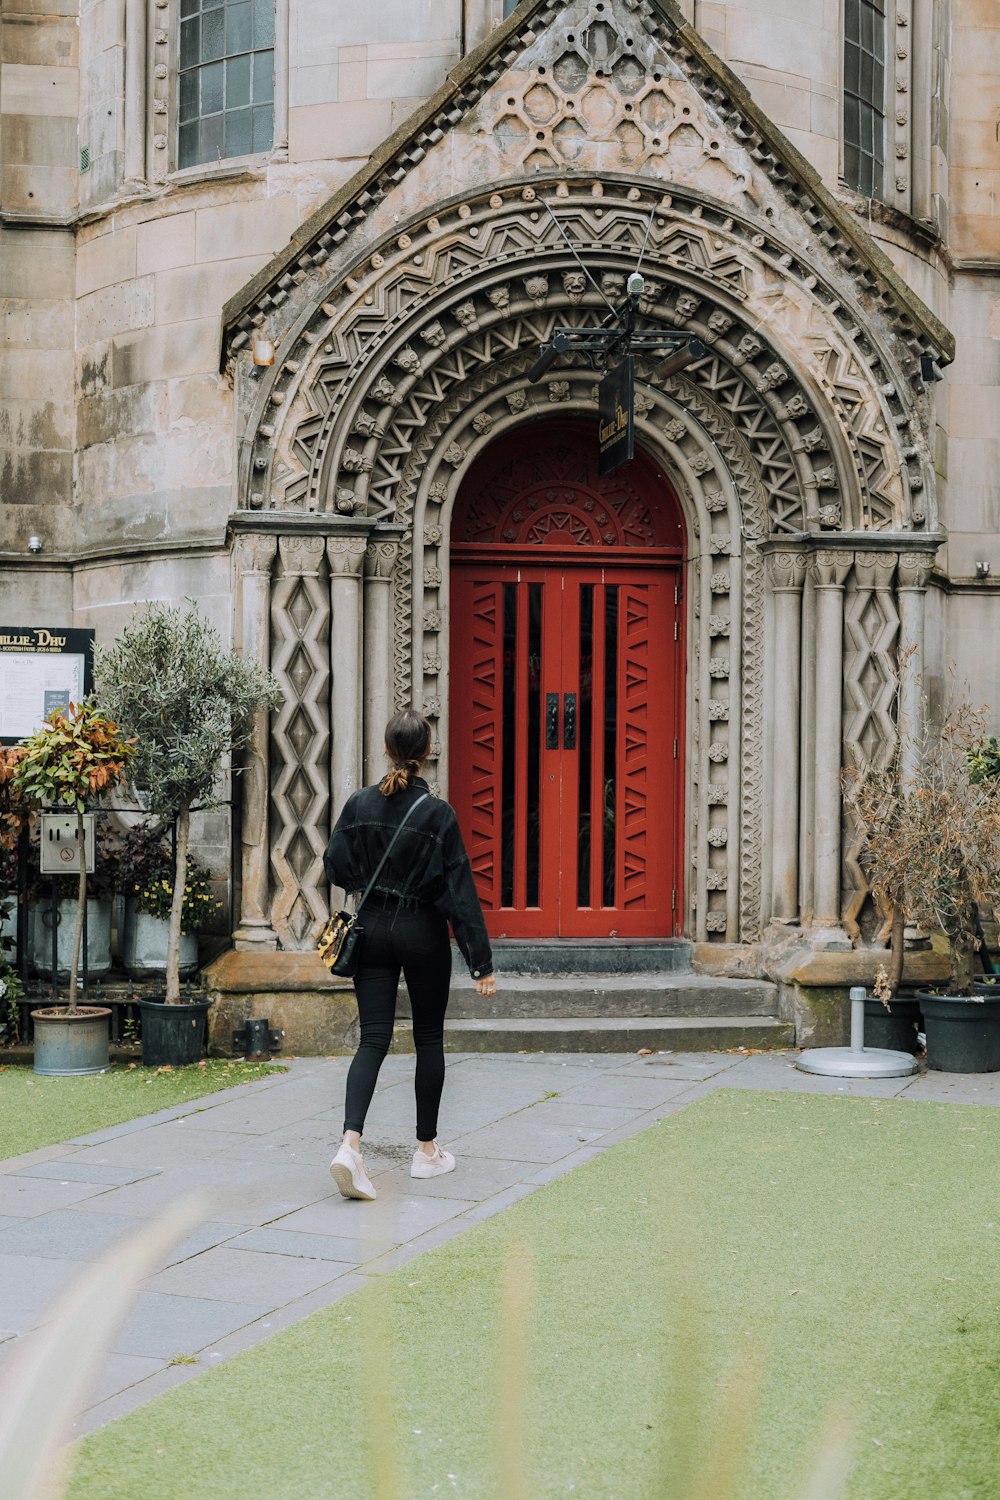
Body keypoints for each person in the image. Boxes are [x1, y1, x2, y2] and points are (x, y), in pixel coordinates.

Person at [322, 708, 496, 1201]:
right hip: (422, 930)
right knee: (428, 1038)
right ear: (427, 753)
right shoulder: (438, 814)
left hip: (372, 926)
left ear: (386, 750)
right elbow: (459, 893)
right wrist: (480, 963)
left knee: (372, 1039)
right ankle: (426, 1153)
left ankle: (350, 1146)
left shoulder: (358, 804)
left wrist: (366, 884)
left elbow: (334, 864)